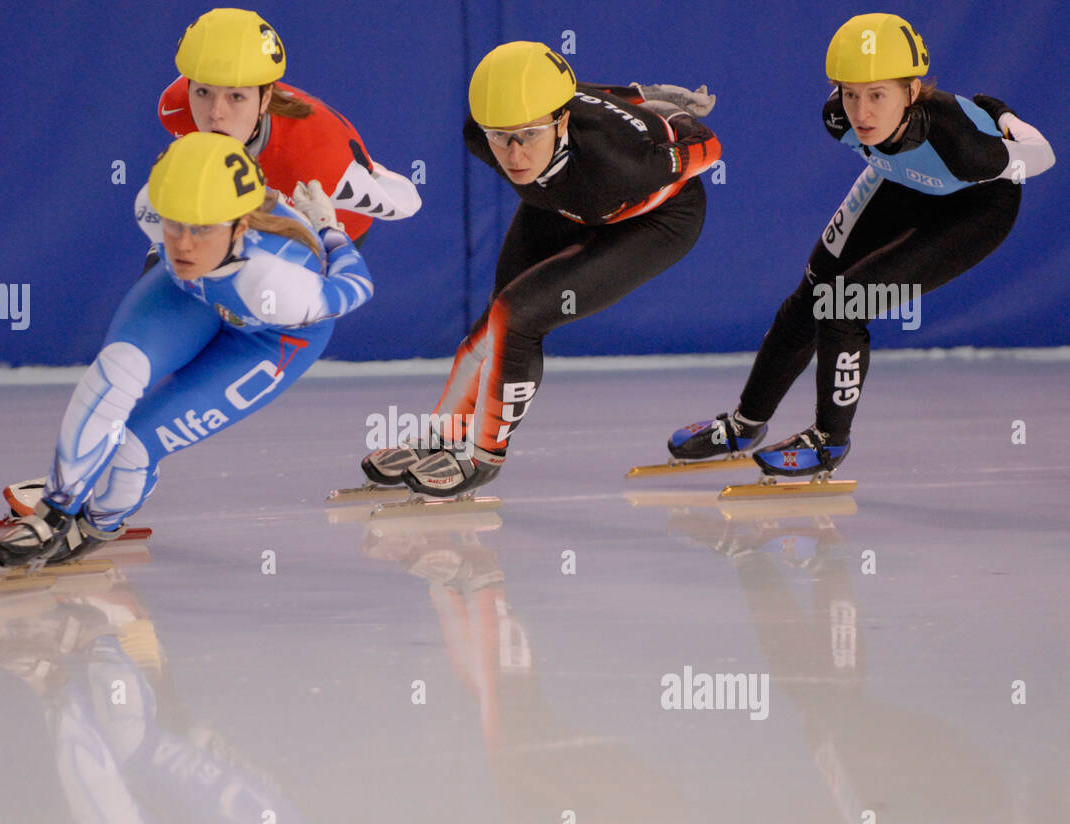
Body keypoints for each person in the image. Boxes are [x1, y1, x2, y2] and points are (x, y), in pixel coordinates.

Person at [667, 12, 1054, 476]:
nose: (862, 112)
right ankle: (745, 424)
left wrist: (1003, 115)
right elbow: (879, 147)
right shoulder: (838, 117)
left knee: (846, 303)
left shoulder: (966, 148)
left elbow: (1043, 154)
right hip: (901, 180)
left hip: (974, 207)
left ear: (911, 92)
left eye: (877, 95)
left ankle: (830, 441)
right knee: (810, 298)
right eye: (851, 94)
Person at [0, 132, 373, 566]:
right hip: (193, 291)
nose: (185, 243)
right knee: (113, 374)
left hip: (272, 336)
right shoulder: (153, 208)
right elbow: (172, 245)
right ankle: (55, 515)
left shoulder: (279, 284)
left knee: (134, 443)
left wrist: (329, 229)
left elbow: (357, 287)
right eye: (175, 223)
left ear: (240, 226)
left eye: (203, 228)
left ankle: (98, 524)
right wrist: (59, 505)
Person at [359, 41, 721, 497]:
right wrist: (637, 92)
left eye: (528, 134)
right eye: (500, 136)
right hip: (561, 201)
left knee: (520, 314)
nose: (514, 155)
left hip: (655, 220)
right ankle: (445, 433)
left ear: (561, 120)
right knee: (496, 317)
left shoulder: (622, 164)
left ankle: (484, 454)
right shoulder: (479, 134)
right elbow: (581, 91)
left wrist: (676, 118)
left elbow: (710, 148)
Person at [156, 7, 420, 246]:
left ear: (265, 98)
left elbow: (406, 201)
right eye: (203, 92)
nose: (215, 113)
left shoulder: (319, 162)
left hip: (328, 222)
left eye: (236, 96)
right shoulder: (176, 109)